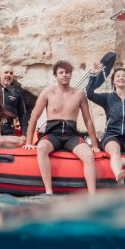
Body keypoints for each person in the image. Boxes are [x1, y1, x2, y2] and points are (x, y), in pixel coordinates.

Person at [24, 60, 100, 196]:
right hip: (52, 134)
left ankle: (92, 195)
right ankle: (49, 192)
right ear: (55, 75)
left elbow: (88, 120)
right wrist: (29, 143)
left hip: (72, 135)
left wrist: (94, 145)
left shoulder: (79, 94)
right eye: (61, 72)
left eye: (67, 72)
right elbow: (34, 117)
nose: (65, 75)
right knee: (41, 148)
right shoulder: (47, 93)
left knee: (88, 155)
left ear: (71, 75)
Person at [0, 65, 27, 147]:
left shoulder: (16, 93)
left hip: (8, 129)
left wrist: (24, 134)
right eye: (6, 72)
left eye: (11, 73)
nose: (8, 75)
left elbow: (22, 114)